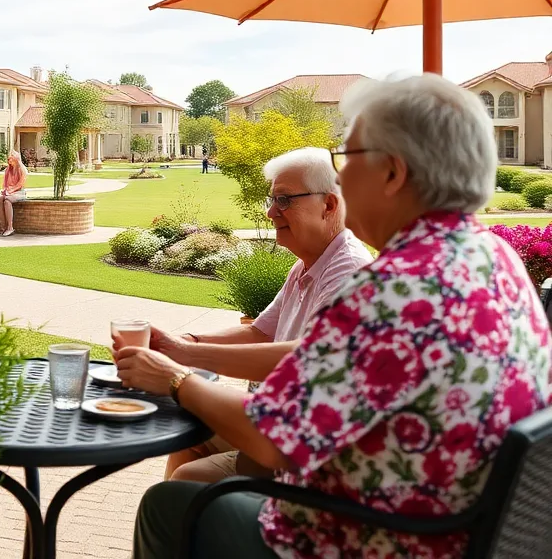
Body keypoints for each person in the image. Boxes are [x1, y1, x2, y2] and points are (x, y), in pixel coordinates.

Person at [124, 74, 552, 559]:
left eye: (346, 159)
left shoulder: (396, 289)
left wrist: (177, 378)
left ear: (392, 172)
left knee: (171, 504)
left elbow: (273, 439)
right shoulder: (492, 255)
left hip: (383, 539)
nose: (341, 178)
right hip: (463, 526)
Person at [137, 147, 372, 483]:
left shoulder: (347, 271)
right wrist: (183, 340)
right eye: (272, 199)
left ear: (329, 205)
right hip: (273, 419)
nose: (270, 212)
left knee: (187, 479)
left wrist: (183, 355)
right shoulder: (310, 263)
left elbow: (307, 359)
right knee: (190, 432)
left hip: (301, 444)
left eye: (284, 200)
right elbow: (260, 332)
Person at [0, 150, 28, 236]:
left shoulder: (22, 169)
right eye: (9, 159)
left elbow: (20, 184)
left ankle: (10, 227)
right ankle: (3, 227)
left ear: (16, 159)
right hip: (9, 192)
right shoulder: (7, 170)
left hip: (19, 192)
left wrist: (10, 191)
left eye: (11, 158)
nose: (9, 161)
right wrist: (5, 190)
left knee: (7, 200)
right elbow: (5, 184)